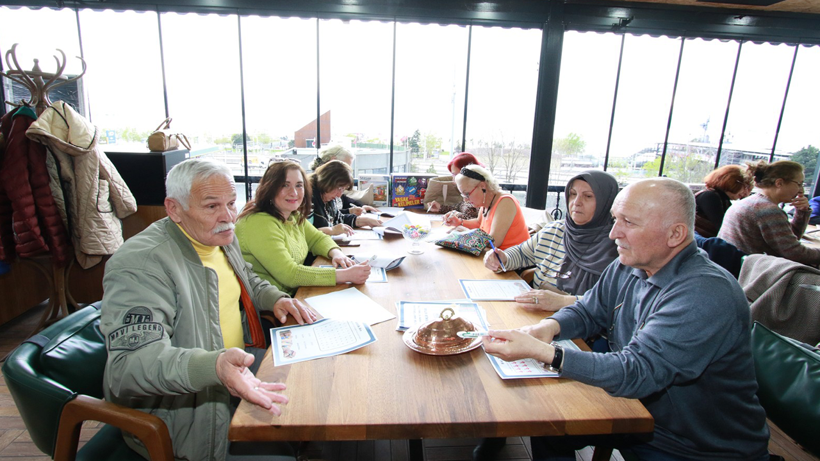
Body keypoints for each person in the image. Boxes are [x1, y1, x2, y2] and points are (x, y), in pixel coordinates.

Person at [482, 178, 770, 461]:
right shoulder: (629, 263)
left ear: (675, 234)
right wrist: (547, 328)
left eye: (628, 223)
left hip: (696, 446)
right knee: (549, 423)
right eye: (615, 219)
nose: (613, 233)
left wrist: (543, 352)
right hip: (638, 413)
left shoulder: (706, 293)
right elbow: (589, 310)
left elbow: (637, 371)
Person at [100, 158, 316, 461]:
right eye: (212, 206)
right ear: (174, 208)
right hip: (187, 410)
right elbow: (128, 366)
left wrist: (277, 298)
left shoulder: (220, 236)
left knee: (311, 391)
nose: (228, 216)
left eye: (231, 202)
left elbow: (249, 280)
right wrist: (214, 367)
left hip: (235, 368)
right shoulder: (142, 264)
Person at [484, 170, 619, 313]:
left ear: (607, 202)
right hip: (536, 313)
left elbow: (610, 302)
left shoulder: (618, 246)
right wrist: (501, 258)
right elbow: (522, 254)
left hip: (579, 325)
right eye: (573, 194)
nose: (576, 202)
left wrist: (562, 302)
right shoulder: (555, 230)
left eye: (588, 196)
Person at [235, 160, 371, 295]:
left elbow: (317, 239)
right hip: (274, 307)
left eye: (299, 185)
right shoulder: (259, 223)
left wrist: (337, 254)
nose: (294, 192)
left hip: (296, 295)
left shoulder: (293, 215)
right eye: (285, 185)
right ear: (270, 188)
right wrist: (344, 275)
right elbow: (290, 274)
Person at [718, 160, 820, 266]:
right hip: (747, 272)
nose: (801, 190)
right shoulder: (768, 211)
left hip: (731, 266)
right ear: (779, 183)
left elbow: (790, 241)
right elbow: (796, 254)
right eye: (799, 184)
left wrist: (802, 212)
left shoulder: (751, 201)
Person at [442, 164, 529, 250]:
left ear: (482, 186)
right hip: (497, 257)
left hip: (514, 261)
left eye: (467, 194)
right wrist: (459, 222)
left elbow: (494, 241)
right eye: (463, 194)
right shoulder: (486, 201)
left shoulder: (506, 202)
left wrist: (466, 233)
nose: (465, 200)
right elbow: (479, 223)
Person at [309, 160, 381, 236]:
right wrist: (331, 230)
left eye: (343, 189)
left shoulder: (328, 196)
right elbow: (304, 234)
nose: (339, 195)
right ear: (327, 182)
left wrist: (365, 220)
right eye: (339, 188)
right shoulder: (309, 198)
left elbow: (339, 219)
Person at [309, 144, 379, 216]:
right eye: (345, 166)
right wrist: (350, 212)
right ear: (334, 161)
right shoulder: (317, 189)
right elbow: (329, 215)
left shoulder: (330, 184)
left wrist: (360, 206)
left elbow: (343, 200)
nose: (348, 171)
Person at [694, 164, 753, 237]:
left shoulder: (724, 199)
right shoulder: (710, 196)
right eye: (745, 187)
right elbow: (724, 229)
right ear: (732, 181)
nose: (746, 192)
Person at [427, 152, 481, 221]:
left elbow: (477, 221)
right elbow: (460, 206)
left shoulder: (480, 194)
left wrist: (456, 215)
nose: (453, 181)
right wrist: (441, 208)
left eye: (455, 175)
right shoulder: (469, 191)